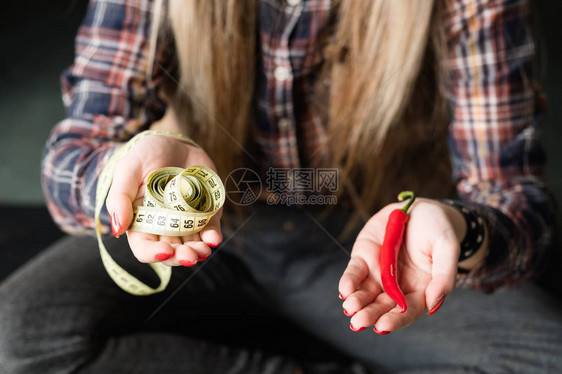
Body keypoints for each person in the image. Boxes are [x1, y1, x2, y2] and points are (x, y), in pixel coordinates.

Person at [1, 0, 562, 373]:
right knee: (16, 336)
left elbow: (516, 201)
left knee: (543, 357)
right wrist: (122, 178)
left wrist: (462, 229)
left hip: (365, 246)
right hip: (201, 235)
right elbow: (72, 154)